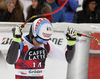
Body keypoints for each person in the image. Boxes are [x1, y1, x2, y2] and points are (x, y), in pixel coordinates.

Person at [6, 18, 76, 79]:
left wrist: (71, 42)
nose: (41, 43)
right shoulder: (22, 43)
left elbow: (65, 59)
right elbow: (10, 61)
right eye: (39, 40)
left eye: (45, 40)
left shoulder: (46, 44)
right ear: (32, 34)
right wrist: (16, 40)